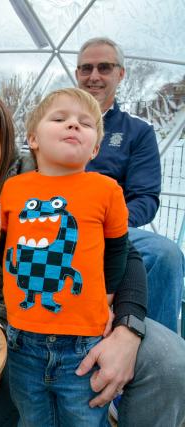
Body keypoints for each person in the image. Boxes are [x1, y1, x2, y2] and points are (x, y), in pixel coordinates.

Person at [0, 87, 185, 427]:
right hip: (17, 336)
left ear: (7, 136)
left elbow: (125, 255)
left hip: (81, 320)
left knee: (169, 364)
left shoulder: (46, 172)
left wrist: (127, 328)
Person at [0, 88, 128, 426]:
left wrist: (107, 297)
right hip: (22, 338)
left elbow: (118, 248)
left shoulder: (106, 190)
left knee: (83, 418)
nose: (73, 125)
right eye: (60, 119)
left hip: (83, 343)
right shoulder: (14, 188)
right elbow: (9, 251)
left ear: (96, 147)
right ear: (33, 138)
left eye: (85, 124)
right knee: (33, 418)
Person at [77, 37, 184, 332]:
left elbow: (145, 199)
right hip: (55, 223)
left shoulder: (137, 131)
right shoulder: (56, 123)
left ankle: (157, 356)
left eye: (104, 67)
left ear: (120, 74)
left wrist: (106, 224)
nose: (94, 76)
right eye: (86, 68)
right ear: (77, 74)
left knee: (164, 254)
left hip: (111, 229)